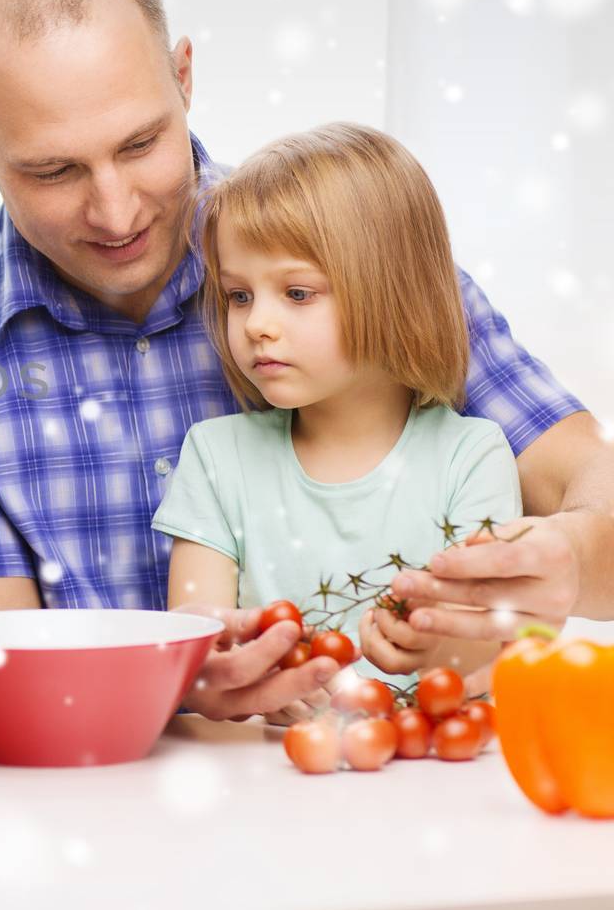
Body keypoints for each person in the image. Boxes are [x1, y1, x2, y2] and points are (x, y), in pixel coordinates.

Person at [0, 0, 611, 721]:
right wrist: (169, 677)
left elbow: (587, 474)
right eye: (55, 170)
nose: (116, 210)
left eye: (142, 143)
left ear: (184, 76)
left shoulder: (346, 249)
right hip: (94, 794)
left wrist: (576, 555)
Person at [153, 123, 521, 720]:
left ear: (394, 293)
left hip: (427, 779)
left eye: (297, 293)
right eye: (239, 295)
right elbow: (197, 641)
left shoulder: (471, 455)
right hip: (265, 774)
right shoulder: (216, 456)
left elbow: (492, 648)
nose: (255, 325)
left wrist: (430, 640)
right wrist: (220, 669)